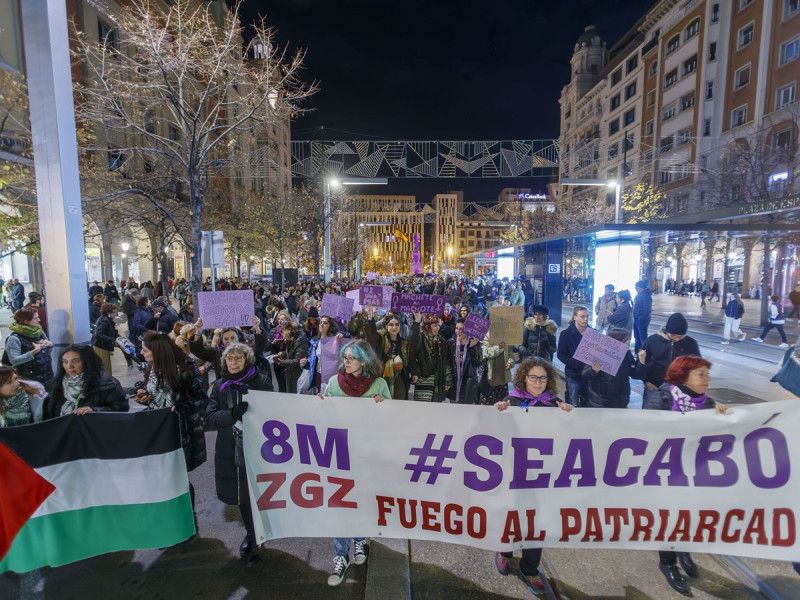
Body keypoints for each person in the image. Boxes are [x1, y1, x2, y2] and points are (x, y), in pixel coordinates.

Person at [644, 354, 727, 593]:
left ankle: (684, 550)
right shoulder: (662, 398)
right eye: (701, 374)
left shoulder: (708, 404)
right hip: (665, 473)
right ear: (683, 376)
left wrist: (725, 419)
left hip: (694, 473)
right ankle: (668, 563)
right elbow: (643, 430)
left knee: (689, 516)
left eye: (707, 373)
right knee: (669, 517)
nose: (707, 379)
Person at [493, 357, 572, 594]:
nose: (538, 383)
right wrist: (499, 412)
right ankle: (505, 552)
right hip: (514, 473)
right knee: (511, 515)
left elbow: (569, 436)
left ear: (549, 381)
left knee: (537, 522)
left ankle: (530, 568)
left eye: (542, 378)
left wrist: (570, 415)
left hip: (542, 477)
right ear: (523, 378)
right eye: (533, 377)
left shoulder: (556, 405)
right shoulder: (512, 401)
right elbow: (496, 433)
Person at [320, 339, 390, 587]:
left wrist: (384, 406)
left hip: (366, 456)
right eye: (344, 357)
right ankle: (340, 555)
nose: (345, 362)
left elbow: (393, 422)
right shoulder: (332, 384)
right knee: (340, 504)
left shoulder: (379, 385)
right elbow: (321, 418)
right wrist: (318, 404)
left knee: (360, 500)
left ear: (364, 361)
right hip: (339, 456)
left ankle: (359, 539)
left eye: (351, 358)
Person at [205, 343, 273, 561]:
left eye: (238, 358)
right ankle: (253, 535)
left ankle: (262, 531)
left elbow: (272, 412)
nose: (233, 363)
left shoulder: (260, 381)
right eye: (229, 359)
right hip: (230, 448)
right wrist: (232, 414)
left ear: (247, 360)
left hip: (258, 446)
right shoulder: (219, 386)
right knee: (242, 495)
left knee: (258, 492)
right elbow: (210, 419)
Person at [133, 332, 208, 520]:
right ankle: (170, 520)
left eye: (145, 350)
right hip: (157, 429)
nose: (141, 353)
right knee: (161, 477)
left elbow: (203, 402)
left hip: (180, 433)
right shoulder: (152, 368)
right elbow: (156, 396)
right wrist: (146, 397)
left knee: (177, 478)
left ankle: (186, 520)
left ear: (157, 351)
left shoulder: (185, 369)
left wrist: (181, 406)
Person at [44, 345, 128, 418]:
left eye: (76, 361)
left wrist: (94, 411)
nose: (69, 366)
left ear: (87, 362)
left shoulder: (106, 383)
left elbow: (122, 407)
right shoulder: (58, 383)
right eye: (65, 362)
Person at [637, 312, 701, 409]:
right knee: (650, 417)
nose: (677, 339)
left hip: (679, 390)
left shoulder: (691, 343)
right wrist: (647, 381)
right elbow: (642, 363)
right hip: (654, 387)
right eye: (674, 335)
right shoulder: (652, 341)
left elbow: (698, 367)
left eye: (680, 336)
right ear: (667, 331)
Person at [582, 328, 640, 408]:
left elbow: (635, 374)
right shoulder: (598, 353)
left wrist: (641, 362)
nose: (629, 342)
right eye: (626, 340)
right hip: (601, 403)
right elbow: (584, 374)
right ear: (617, 341)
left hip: (621, 401)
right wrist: (594, 371)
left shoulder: (626, 354)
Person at [3, 307, 55, 392]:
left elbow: (47, 350)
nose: (39, 320)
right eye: (35, 318)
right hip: (29, 380)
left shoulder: (39, 331)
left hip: (48, 377)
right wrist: (34, 352)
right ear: (25, 321)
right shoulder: (14, 338)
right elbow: (14, 360)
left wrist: (50, 344)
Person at [363, 313, 410, 400]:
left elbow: (408, 362)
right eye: (391, 325)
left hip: (400, 379)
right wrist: (370, 318)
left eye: (396, 325)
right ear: (386, 326)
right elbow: (371, 335)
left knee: (399, 405)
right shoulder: (380, 338)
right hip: (382, 376)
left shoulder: (404, 342)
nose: (394, 327)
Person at [408, 313, 453, 402]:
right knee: (422, 409)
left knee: (434, 410)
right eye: (434, 326)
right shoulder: (421, 338)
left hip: (437, 379)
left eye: (438, 325)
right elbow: (412, 346)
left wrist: (448, 380)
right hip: (422, 379)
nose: (437, 328)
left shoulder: (442, 341)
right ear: (427, 327)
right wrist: (416, 322)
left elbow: (446, 361)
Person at [556, 305, 590, 407]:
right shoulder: (565, 334)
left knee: (588, 401)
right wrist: (575, 364)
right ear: (575, 317)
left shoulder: (593, 334)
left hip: (589, 375)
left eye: (587, 316)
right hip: (573, 374)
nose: (585, 319)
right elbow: (561, 354)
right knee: (573, 401)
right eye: (582, 316)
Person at [446, 319, 481, 404]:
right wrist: (447, 381)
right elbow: (447, 364)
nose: (458, 331)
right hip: (454, 385)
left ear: (467, 330)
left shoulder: (474, 344)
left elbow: (477, 363)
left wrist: (472, 348)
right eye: (456, 328)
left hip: (468, 386)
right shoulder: (450, 344)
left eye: (461, 329)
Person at [275, 320, 308, 394]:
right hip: (290, 372)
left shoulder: (301, 340)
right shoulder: (291, 338)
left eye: (283, 333)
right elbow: (291, 353)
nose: (283, 336)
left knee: (296, 396)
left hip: (298, 373)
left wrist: (281, 362)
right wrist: (283, 354)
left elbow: (298, 360)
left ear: (288, 331)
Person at [91, 302, 121, 375]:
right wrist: (113, 339)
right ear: (108, 312)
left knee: (106, 368)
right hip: (100, 347)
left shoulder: (106, 319)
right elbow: (98, 334)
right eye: (114, 312)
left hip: (102, 346)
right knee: (105, 369)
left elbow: (111, 332)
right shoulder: (104, 320)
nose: (115, 314)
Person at [632, 280, 652, 354]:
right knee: (637, 336)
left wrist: (641, 318)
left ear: (640, 287)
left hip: (642, 320)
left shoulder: (646, 296)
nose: (635, 288)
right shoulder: (639, 294)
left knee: (642, 337)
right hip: (636, 318)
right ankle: (637, 351)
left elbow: (647, 309)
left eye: (636, 287)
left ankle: (644, 352)